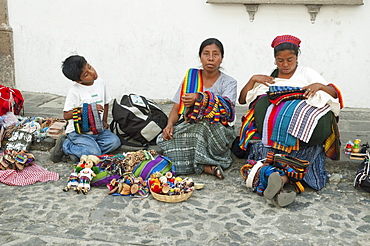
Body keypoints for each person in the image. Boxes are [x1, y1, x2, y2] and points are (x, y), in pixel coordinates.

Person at [238, 34, 343, 205]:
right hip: (273, 140)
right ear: (274, 59)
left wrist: (319, 86)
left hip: (302, 138)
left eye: (290, 60)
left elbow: (333, 94)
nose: (285, 65)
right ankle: (283, 184)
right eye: (280, 60)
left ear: (297, 57)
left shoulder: (306, 72)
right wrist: (252, 80)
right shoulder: (269, 78)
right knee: (270, 152)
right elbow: (243, 100)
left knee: (305, 147)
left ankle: (278, 181)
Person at [157, 38, 237, 179]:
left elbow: (227, 110)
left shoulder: (229, 82)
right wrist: (169, 125)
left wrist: (200, 98)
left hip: (219, 130)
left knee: (203, 126)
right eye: (206, 54)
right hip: (192, 126)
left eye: (215, 54)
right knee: (162, 140)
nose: (210, 58)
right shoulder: (191, 78)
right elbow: (177, 108)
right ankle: (204, 165)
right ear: (200, 57)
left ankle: (195, 163)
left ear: (221, 58)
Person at [50, 55, 121, 163]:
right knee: (95, 153)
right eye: (86, 74)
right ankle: (66, 145)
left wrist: (104, 121)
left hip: (97, 130)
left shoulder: (100, 83)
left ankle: (81, 153)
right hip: (79, 132)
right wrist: (87, 109)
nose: (92, 72)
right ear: (78, 81)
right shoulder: (74, 91)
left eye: (90, 67)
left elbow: (106, 103)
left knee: (115, 142)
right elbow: (66, 115)